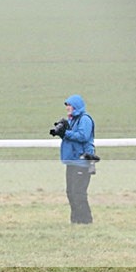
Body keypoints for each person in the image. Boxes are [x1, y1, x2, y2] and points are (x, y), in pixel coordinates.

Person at [50, 94, 95, 224]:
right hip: (72, 161)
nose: (67, 108)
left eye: (69, 105)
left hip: (82, 162)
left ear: (76, 106)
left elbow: (83, 136)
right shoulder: (72, 120)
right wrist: (61, 133)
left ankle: (85, 221)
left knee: (78, 193)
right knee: (71, 192)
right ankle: (76, 221)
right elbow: (71, 138)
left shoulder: (85, 119)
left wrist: (65, 133)